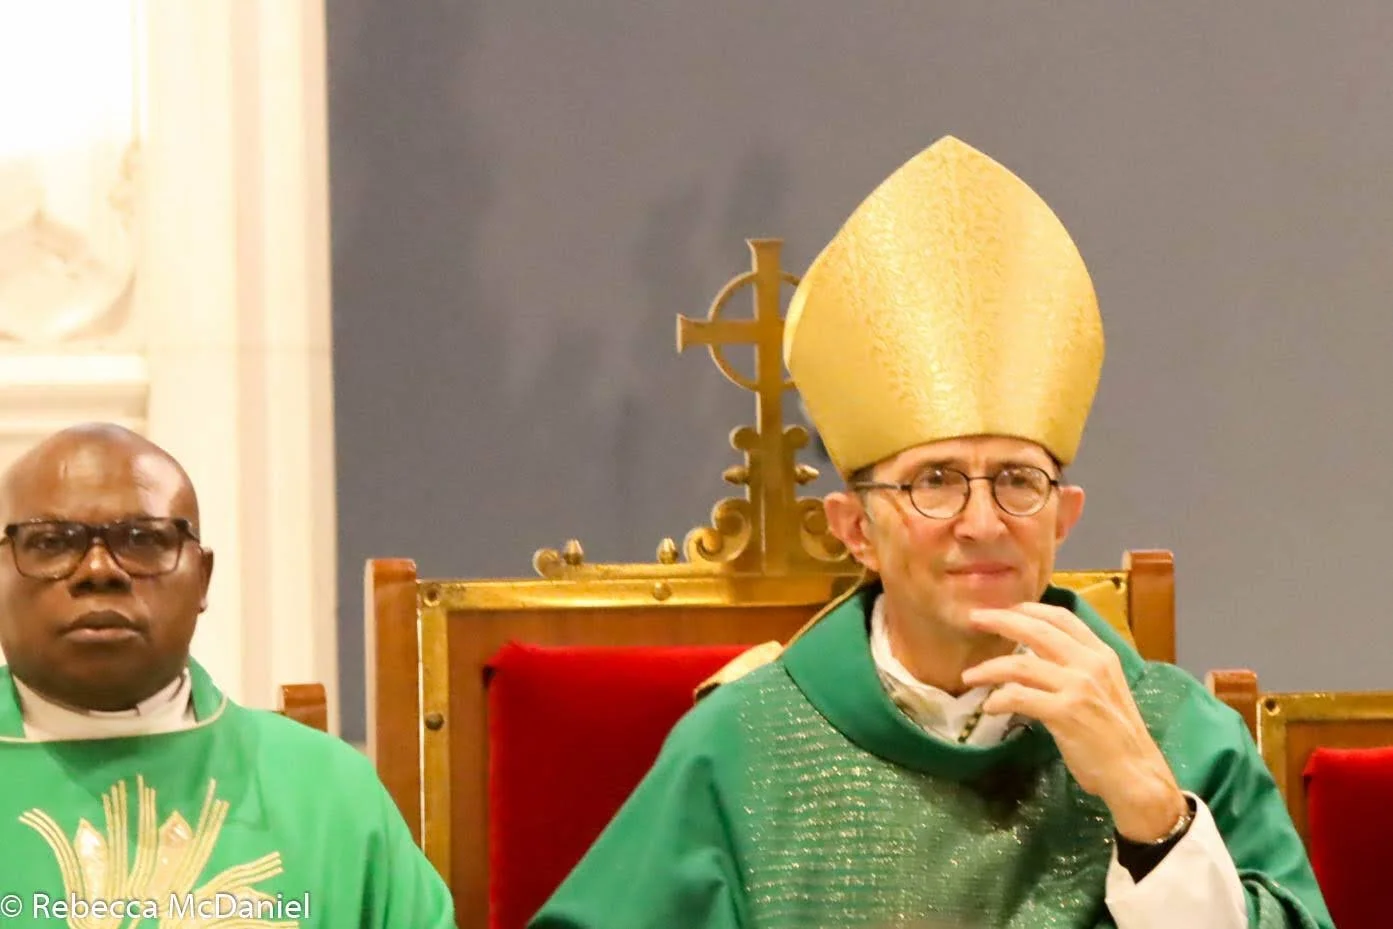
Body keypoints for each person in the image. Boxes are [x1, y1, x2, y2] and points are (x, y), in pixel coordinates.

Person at [528, 138, 1332, 928]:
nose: (981, 522)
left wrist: (1153, 816)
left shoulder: (1178, 733)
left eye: (1018, 480)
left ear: (1064, 515)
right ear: (854, 529)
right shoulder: (739, 747)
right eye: (935, 481)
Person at [0, 423, 454, 927]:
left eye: (143, 539)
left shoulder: (326, 792)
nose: (100, 570)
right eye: (52, 542)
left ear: (202, 579)